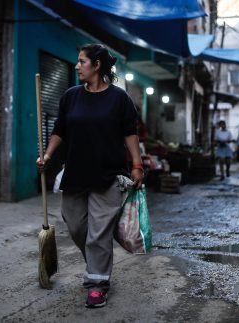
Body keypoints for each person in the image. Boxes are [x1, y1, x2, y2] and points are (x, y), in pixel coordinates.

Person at [36, 44, 144, 308]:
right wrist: (47, 155)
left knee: (98, 232)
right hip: (76, 170)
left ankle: (97, 283)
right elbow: (60, 129)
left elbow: (130, 133)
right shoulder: (71, 96)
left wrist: (137, 165)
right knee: (75, 225)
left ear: (97, 66)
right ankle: (99, 263)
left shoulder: (119, 99)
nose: (76, 66)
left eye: (81, 61)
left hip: (108, 173)